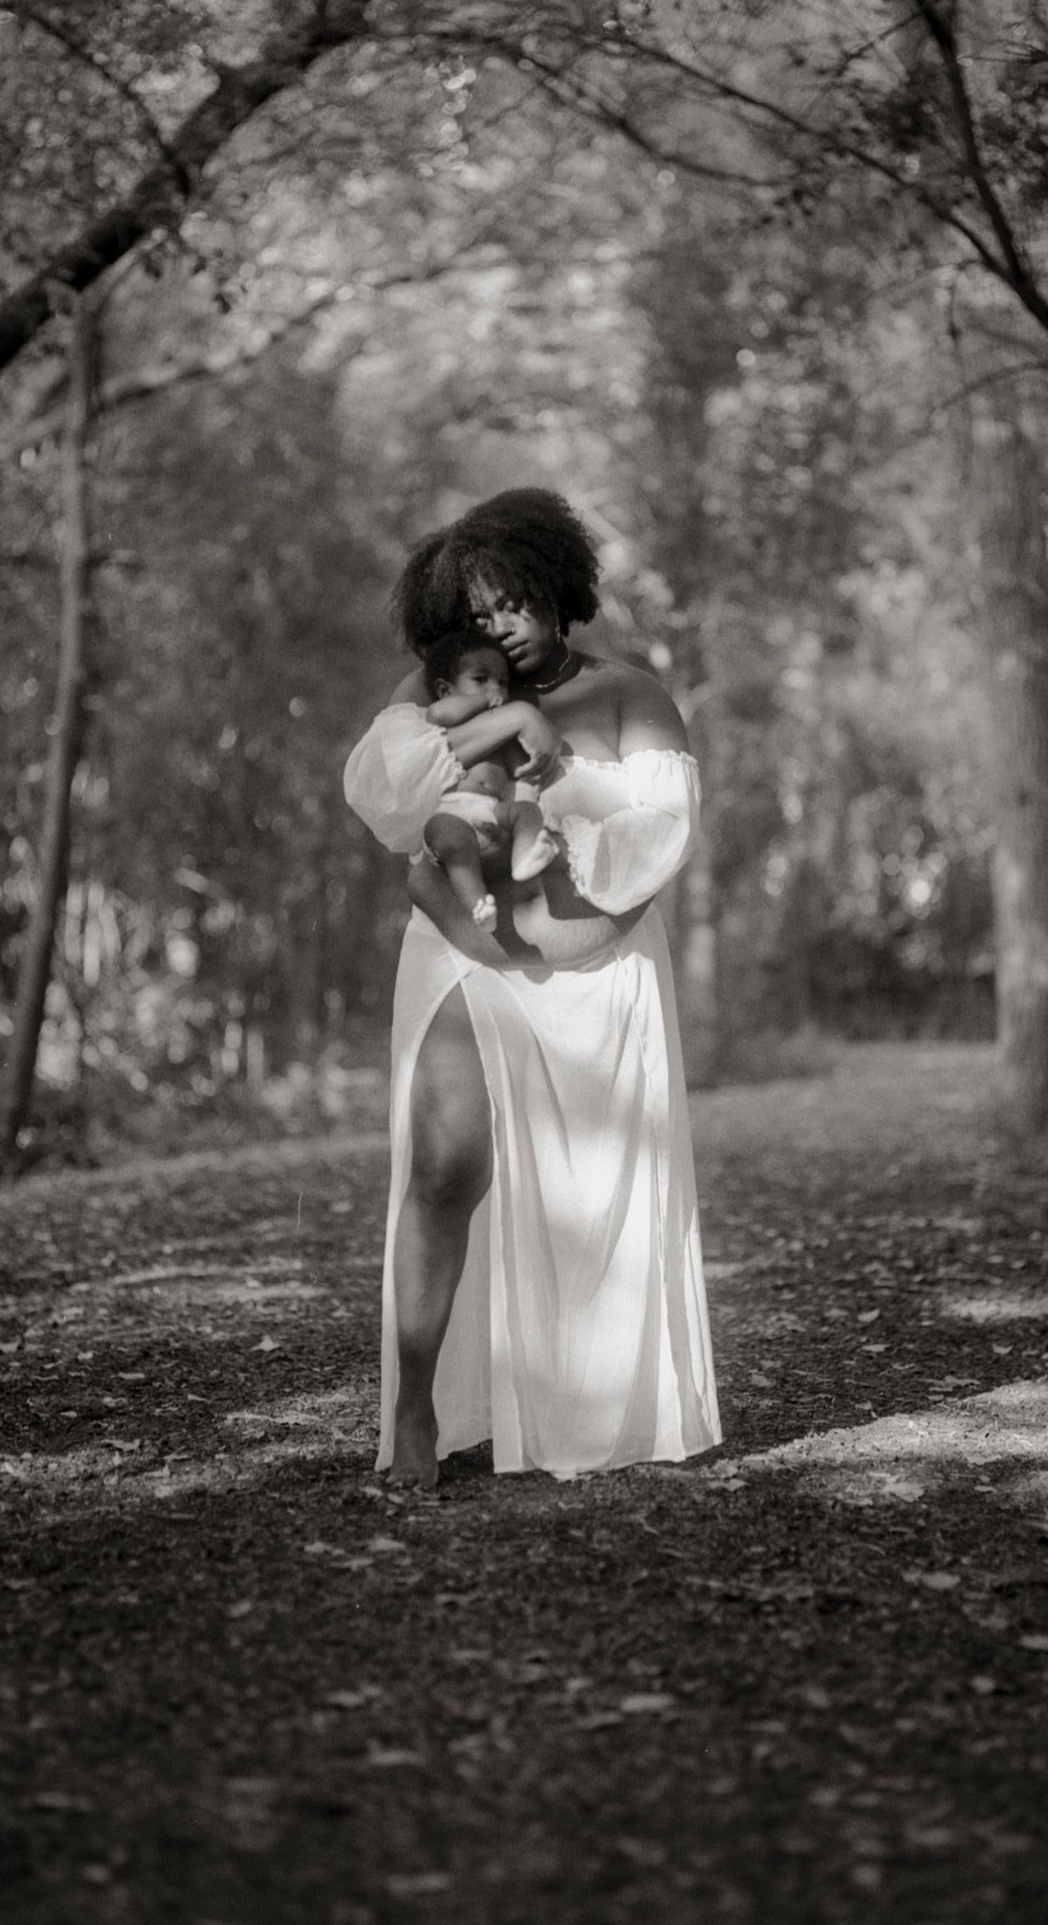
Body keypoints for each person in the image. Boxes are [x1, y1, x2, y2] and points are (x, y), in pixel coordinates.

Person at [343, 488, 721, 1486]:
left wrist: (554, 770)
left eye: (512, 599)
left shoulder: (630, 695)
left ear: (558, 589)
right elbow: (387, 799)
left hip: (600, 986)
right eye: (476, 609)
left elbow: (654, 842)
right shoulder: (435, 688)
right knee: (444, 1163)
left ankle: (582, 1410)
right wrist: (489, 722)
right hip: (471, 958)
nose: (498, 623)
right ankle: (418, 1409)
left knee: (590, 1196)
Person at [419, 629, 560, 932]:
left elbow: (521, 778)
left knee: (527, 812)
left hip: (492, 811)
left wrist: (524, 806)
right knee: (451, 842)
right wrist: (483, 700)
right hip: (450, 811)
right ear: (445, 690)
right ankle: (479, 905)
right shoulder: (442, 716)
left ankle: (525, 857)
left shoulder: (504, 732)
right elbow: (440, 714)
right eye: (481, 679)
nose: (496, 688)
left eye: (503, 682)